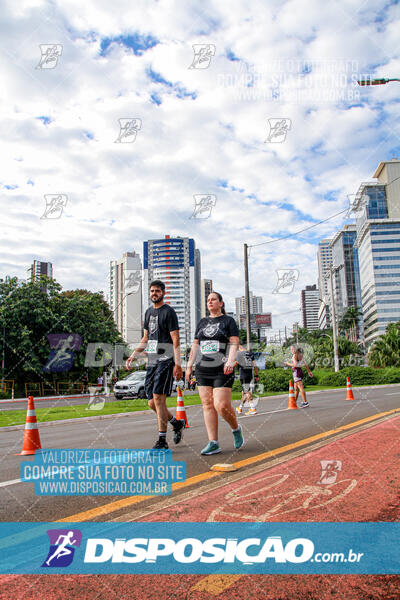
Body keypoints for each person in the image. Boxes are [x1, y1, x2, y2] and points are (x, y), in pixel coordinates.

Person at [125, 280, 184, 449]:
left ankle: (162, 440)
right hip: (151, 361)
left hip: (166, 360)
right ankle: (176, 423)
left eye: (157, 291)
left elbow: (176, 339)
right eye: (152, 291)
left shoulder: (169, 312)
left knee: (159, 399)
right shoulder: (148, 313)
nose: (154, 293)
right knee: (151, 403)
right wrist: (134, 354)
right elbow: (146, 338)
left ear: (163, 293)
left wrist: (178, 364)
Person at [186, 291, 244, 455]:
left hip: (222, 367)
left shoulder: (228, 321)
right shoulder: (202, 322)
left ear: (221, 303)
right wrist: (189, 366)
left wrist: (231, 360)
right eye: (208, 300)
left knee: (221, 405)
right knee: (208, 405)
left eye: (213, 300)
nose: (210, 302)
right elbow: (195, 346)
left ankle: (236, 429)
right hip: (203, 368)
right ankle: (213, 442)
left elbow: (234, 343)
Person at [236, 345, 259, 415]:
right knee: (244, 393)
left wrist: (228, 367)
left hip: (243, 375)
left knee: (247, 392)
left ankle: (252, 408)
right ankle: (240, 407)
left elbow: (236, 363)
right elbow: (255, 365)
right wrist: (256, 375)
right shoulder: (250, 354)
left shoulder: (239, 354)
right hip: (249, 375)